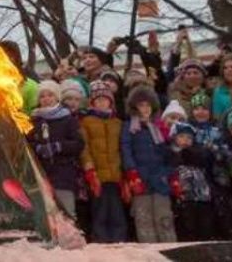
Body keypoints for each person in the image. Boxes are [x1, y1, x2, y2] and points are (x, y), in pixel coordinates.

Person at [120, 85, 176, 243]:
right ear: (134, 107)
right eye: (141, 105)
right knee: (143, 220)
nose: (145, 109)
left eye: (147, 105)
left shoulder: (159, 127)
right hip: (140, 179)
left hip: (160, 180)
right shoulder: (129, 127)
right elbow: (126, 149)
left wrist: (169, 173)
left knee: (164, 219)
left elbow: (167, 154)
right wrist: (131, 172)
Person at [189, 92, 232, 240]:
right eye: (196, 108)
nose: (200, 112)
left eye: (204, 108)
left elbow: (228, 153)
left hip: (220, 179)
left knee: (226, 213)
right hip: (199, 180)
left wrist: (215, 151)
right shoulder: (188, 130)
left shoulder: (218, 129)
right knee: (206, 218)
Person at [79, 81, 127, 243]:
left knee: (117, 212)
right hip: (97, 175)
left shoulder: (118, 123)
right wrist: (89, 169)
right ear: (92, 103)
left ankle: (119, 243)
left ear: (110, 102)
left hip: (115, 175)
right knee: (100, 212)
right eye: (97, 100)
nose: (101, 102)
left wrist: (125, 174)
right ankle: (101, 243)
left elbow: (122, 148)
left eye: (104, 99)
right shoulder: (86, 122)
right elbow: (84, 147)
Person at [27, 80, 84, 217]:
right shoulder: (33, 121)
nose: (46, 99)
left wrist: (58, 146)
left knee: (66, 211)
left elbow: (78, 144)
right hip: (41, 174)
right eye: (42, 96)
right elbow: (28, 144)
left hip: (63, 173)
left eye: (50, 95)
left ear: (57, 97)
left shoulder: (68, 119)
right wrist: (38, 148)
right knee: (46, 213)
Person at [168, 122, 215, 242]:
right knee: (188, 228)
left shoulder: (198, 152)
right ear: (174, 137)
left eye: (189, 137)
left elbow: (206, 162)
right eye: (182, 136)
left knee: (205, 228)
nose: (185, 140)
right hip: (183, 198)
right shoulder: (170, 153)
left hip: (202, 197)